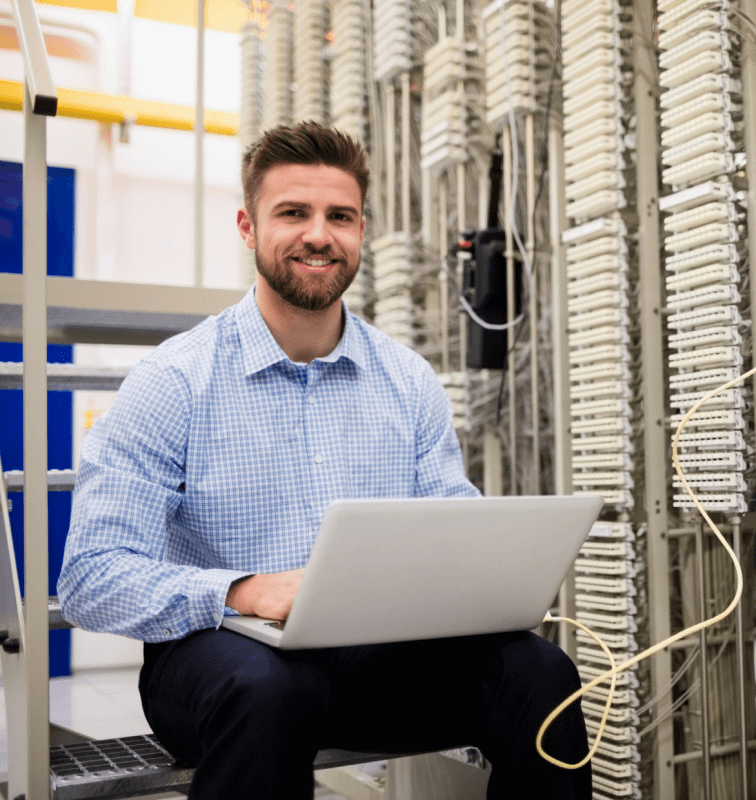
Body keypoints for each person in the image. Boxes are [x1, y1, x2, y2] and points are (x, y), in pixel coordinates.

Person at [58, 121, 591, 799]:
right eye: (293, 213)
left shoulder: (406, 380)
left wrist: (489, 578)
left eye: (339, 216)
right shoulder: (175, 382)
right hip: (220, 663)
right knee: (271, 689)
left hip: (379, 662)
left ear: (361, 230)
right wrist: (240, 591)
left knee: (541, 674)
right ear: (248, 227)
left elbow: (455, 522)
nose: (319, 235)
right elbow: (91, 576)